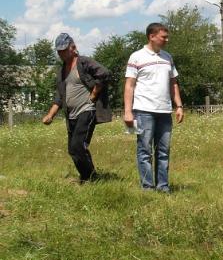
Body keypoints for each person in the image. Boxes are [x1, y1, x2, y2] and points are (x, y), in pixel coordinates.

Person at [42, 33, 112, 183]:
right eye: (59, 51)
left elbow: (104, 73)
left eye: (64, 50)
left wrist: (94, 94)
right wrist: (50, 115)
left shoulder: (84, 62)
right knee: (73, 150)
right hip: (71, 115)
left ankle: (90, 178)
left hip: (86, 110)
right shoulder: (62, 71)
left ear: (72, 47)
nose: (61, 54)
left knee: (78, 146)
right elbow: (59, 97)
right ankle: (88, 177)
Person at [123, 23, 184, 193]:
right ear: (151, 36)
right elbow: (129, 85)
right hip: (143, 111)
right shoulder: (136, 57)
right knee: (145, 150)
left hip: (164, 111)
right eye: (163, 37)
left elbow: (173, 83)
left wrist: (179, 106)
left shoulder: (168, 57)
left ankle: (163, 187)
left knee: (163, 151)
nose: (167, 40)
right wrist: (128, 112)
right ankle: (147, 188)